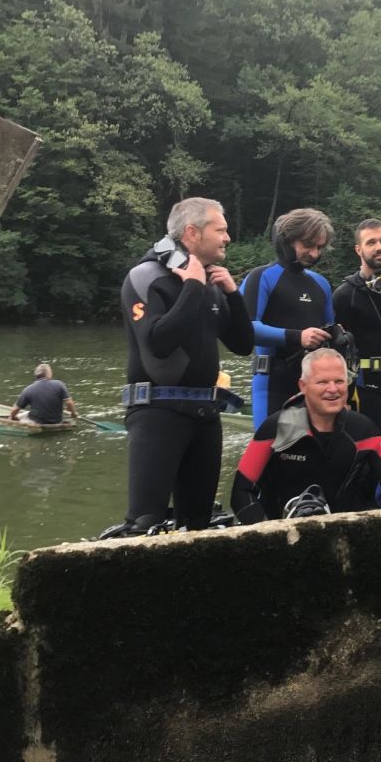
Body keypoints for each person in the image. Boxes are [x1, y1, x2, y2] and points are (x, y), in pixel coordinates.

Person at [120, 197, 253, 531]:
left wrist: (233, 295)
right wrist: (192, 286)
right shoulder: (146, 276)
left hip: (205, 414)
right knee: (144, 523)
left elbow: (243, 345)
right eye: (220, 230)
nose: (228, 238)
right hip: (157, 413)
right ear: (193, 232)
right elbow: (158, 343)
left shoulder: (210, 284)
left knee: (198, 524)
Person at [230, 348, 381, 520]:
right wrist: (270, 531)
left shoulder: (364, 430)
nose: (332, 389)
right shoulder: (275, 429)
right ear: (303, 386)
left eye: (339, 381)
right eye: (322, 382)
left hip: (346, 529)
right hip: (284, 530)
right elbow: (241, 493)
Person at [241, 208, 335, 428]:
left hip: (314, 385)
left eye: (320, 247)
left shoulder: (321, 284)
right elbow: (246, 329)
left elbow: (331, 333)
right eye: (308, 245)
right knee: (270, 448)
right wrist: (297, 337)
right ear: (286, 241)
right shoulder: (261, 277)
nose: (314, 254)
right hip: (272, 384)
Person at [332, 218, 381, 433]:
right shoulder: (345, 295)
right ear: (358, 249)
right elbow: (333, 348)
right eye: (371, 242)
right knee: (376, 444)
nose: (379, 247)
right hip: (365, 388)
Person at [10, 363, 78, 424]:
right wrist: (74, 413)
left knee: (19, 416)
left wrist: (13, 418)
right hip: (57, 421)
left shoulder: (28, 389)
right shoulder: (59, 384)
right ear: (48, 373)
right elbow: (69, 403)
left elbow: (15, 410)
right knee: (27, 413)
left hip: (37, 422)